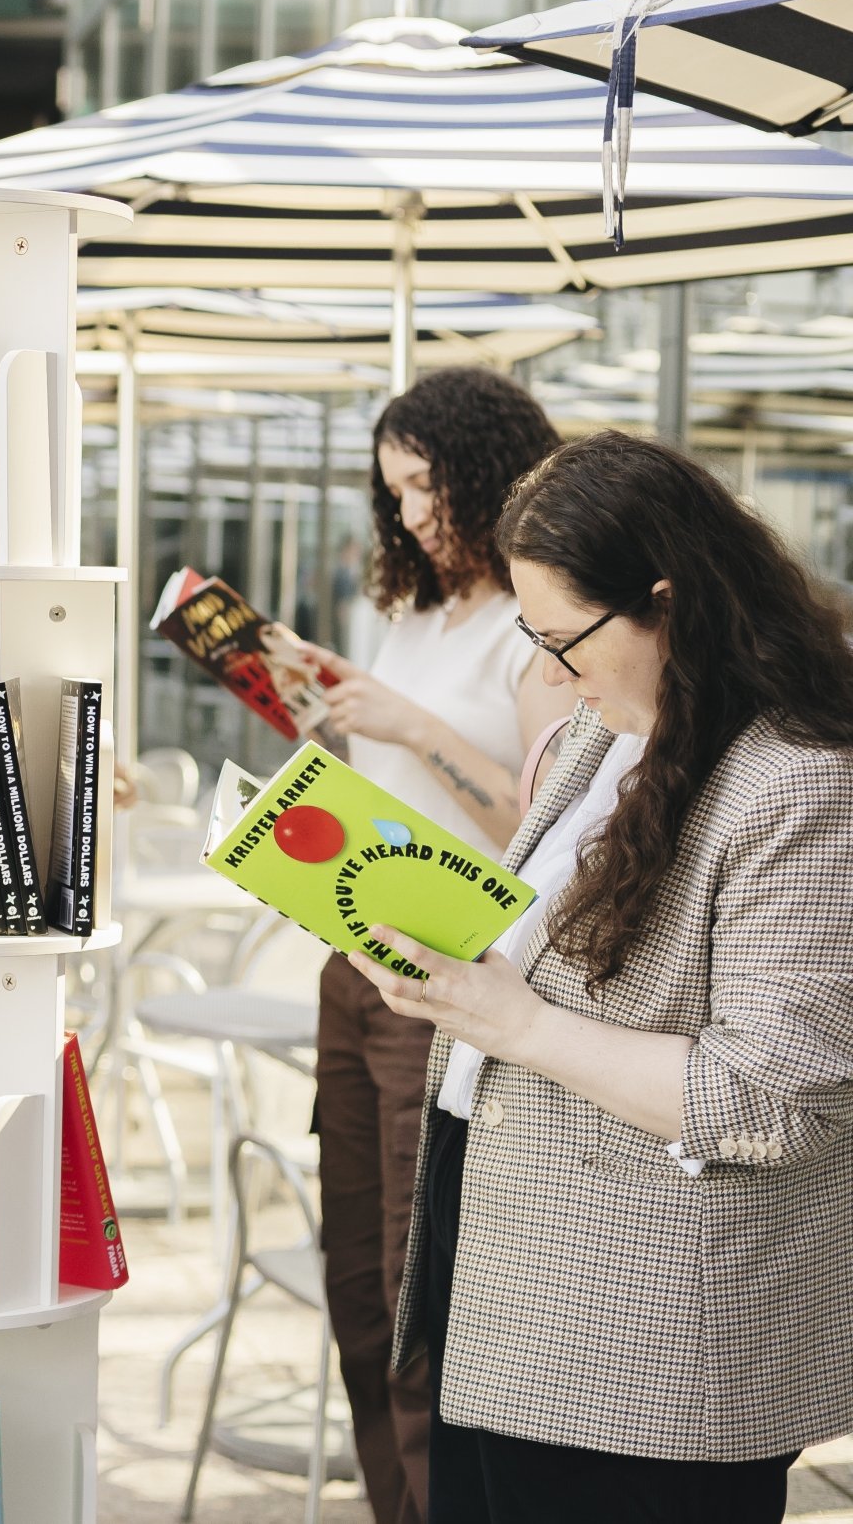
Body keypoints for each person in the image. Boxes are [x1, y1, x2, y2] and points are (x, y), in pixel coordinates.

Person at [361, 431, 853, 1523]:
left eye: (563, 640)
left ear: (668, 602)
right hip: (503, 1275)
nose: (546, 676)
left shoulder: (800, 785)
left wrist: (511, 1022)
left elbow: (770, 1099)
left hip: (647, 1342)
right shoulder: (606, 734)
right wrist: (440, 960)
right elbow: (549, 952)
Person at [285, 367, 573, 1524]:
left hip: (452, 978)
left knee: (419, 1294)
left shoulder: (537, 629)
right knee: (356, 1283)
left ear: (482, 480)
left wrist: (410, 723)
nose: (406, 514)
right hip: (349, 961)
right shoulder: (405, 614)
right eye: (392, 490)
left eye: (425, 488)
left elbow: (543, 821)